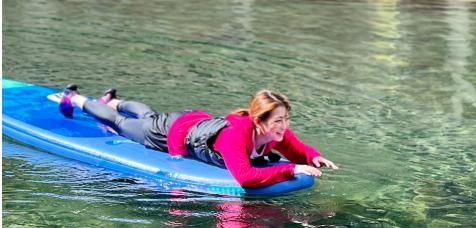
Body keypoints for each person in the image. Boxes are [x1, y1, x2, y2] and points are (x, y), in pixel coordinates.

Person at [57, 85, 338, 188]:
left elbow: (295, 146)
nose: (284, 126)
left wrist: (313, 157)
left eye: (286, 119)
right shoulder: (235, 136)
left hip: (192, 121)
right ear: (258, 121)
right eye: (279, 120)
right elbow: (244, 177)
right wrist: (291, 169)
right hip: (171, 132)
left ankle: (115, 100)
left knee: (148, 116)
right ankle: (77, 99)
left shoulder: (276, 134)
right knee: (122, 124)